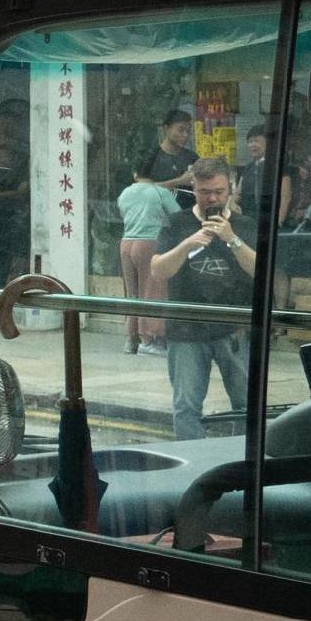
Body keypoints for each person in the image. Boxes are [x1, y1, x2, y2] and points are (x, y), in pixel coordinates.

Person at [145, 154, 256, 440]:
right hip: (186, 328)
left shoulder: (244, 225)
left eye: (219, 192)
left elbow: (261, 271)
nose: (212, 199)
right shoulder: (176, 223)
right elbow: (158, 270)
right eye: (205, 192)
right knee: (186, 406)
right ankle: (193, 467)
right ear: (194, 189)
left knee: (246, 405)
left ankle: (241, 463)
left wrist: (232, 239)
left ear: (230, 189)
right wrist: (187, 245)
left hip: (234, 328)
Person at [115, 146, 183, 353]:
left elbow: (122, 213)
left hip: (126, 243)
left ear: (135, 174)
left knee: (132, 292)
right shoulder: (160, 192)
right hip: (150, 244)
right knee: (152, 292)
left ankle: (131, 339)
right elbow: (178, 217)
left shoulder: (125, 193)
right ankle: (150, 340)